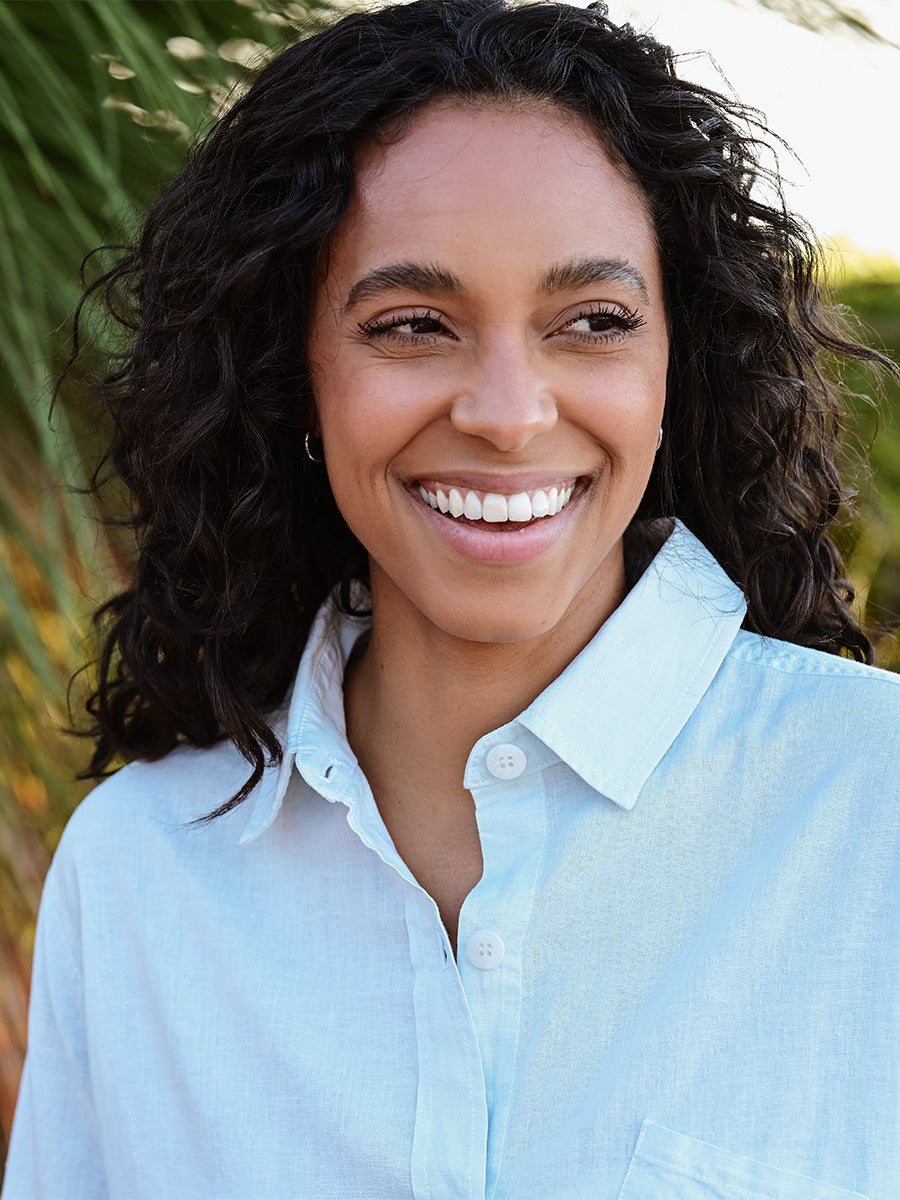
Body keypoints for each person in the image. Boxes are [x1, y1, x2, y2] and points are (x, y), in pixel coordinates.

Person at [4, 0, 899, 1196]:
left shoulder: (871, 816)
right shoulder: (137, 876)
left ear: (676, 364)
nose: (508, 411)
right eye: (413, 325)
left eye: (593, 321)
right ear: (292, 375)